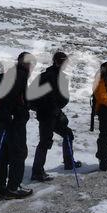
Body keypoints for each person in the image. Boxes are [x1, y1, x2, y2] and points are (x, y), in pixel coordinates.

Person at [29, 52, 81, 182]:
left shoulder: (57, 77)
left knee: (67, 134)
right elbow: (34, 96)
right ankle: (37, 171)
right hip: (47, 115)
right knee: (45, 141)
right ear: (55, 62)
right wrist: (49, 108)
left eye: (64, 62)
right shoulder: (47, 76)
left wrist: (58, 109)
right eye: (61, 61)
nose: (63, 64)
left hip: (54, 113)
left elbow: (61, 98)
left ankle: (69, 162)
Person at [0, 52, 36, 200]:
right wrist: (11, 113)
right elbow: (10, 98)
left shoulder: (11, 73)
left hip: (4, 121)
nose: (32, 67)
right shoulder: (20, 75)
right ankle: (13, 188)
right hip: (13, 122)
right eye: (31, 64)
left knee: (2, 153)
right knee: (18, 153)